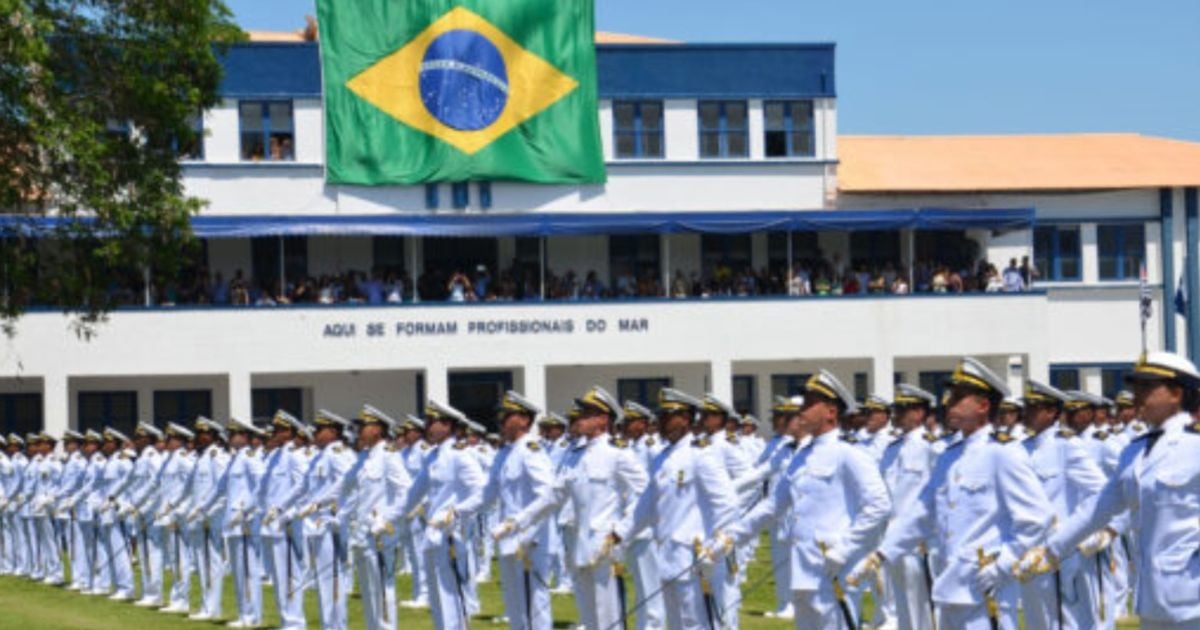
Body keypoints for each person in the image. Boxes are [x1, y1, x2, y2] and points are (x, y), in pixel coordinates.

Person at [848, 357, 1054, 630]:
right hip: (949, 584)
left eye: (958, 398)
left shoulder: (1003, 453)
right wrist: (882, 554)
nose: (948, 403)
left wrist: (1003, 565)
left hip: (985, 586)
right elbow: (922, 511)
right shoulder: (949, 457)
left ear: (983, 406)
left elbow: (1037, 517)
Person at [1017, 351, 1200, 629]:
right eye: (1136, 387)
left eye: (1147, 387)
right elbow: (1100, 506)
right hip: (1153, 595)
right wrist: (1051, 549)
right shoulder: (1135, 450)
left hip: (1193, 592)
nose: (1138, 396)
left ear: (1176, 393)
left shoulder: (1195, 445)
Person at [717, 371, 892, 630]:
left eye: (810, 404)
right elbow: (774, 504)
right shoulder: (802, 456)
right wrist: (733, 535)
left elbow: (879, 505)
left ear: (831, 412)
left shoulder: (849, 454)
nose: (802, 410)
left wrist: (844, 549)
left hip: (833, 568)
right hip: (802, 569)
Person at [505, 386, 648, 630]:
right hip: (580, 548)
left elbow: (647, 494)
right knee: (590, 618)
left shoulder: (617, 453)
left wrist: (621, 531)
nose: (579, 418)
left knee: (609, 620)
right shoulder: (575, 455)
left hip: (605, 548)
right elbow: (552, 496)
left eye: (586, 414)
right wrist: (518, 521)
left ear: (603, 419)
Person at [614, 388, 741, 630]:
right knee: (677, 623)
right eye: (660, 416)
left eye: (667, 416)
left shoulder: (701, 455)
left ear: (685, 418)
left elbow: (727, 504)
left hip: (695, 557)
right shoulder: (662, 458)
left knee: (699, 624)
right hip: (668, 558)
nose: (660, 422)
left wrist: (715, 546)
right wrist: (619, 534)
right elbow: (646, 506)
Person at [1018, 381, 1107, 630]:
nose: (1027, 413)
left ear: (1052, 412)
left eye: (1034, 408)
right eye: (1027, 407)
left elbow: (1099, 491)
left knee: (1065, 622)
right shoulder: (1021, 448)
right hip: (1028, 551)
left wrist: (1073, 532)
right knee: (1037, 622)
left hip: (1059, 552)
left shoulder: (1066, 445)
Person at [402, 401, 486, 630]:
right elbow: (413, 493)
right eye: (426, 422)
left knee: (451, 598)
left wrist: (456, 513)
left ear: (447, 425)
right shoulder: (432, 456)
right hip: (432, 535)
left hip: (450, 534)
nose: (427, 427)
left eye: (432, 422)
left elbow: (482, 492)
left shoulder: (460, 455)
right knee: (438, 600)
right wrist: (390, 518)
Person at [486, 391, 557, 630]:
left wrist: (518, 523)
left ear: (525, 420)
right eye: (501, 416)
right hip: (509, 540)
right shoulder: (505, 453)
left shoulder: (530, 449)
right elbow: (487, 493)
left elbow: (548, 494)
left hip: (529, 541)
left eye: (508, 416)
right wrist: (456, 512)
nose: (502, 421)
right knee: (516, 608)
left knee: (534, 607)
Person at [342, 405, 413, 630]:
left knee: (382, 588)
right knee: (368, 590)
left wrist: (385, 519)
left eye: (364, 426)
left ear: (377, 430)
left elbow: (406, 492)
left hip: (381, 535)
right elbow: (349, 489)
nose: (359, 431)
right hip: (363, 534)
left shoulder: (389, 455)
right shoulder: (364, 457)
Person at [877, 385, 939, 630]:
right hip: (891, 535)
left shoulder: (931, 446)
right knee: (901, 602)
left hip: (917, 539)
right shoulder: (892, 448)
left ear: (919, 413)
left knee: (921, 604)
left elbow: (936, 495)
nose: (897, 415)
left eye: (904, 409)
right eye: (896, 409)